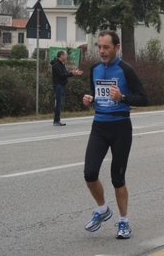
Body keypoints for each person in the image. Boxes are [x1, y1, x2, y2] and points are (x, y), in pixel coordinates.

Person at [82, 30, 148, 239]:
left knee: (117, 178)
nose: (102, 51)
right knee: (89, 173)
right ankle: (103, 210)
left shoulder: (126, 70)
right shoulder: (94, 69)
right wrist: (89, 98)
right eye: (99, 47)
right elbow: (95, 93)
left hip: (120, 128)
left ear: (117, 47)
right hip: (99, 127)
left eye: (106, 47)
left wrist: (123, 97)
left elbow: (143, 98)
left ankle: (124, 222)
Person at [50, 51, 83, 126]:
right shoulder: (56, 64)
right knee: (59, 103)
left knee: (60, 103)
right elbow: (61, 75)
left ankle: (57, 120)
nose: (66, 57)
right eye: (65, 55)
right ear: (61, 55)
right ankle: (56, 120)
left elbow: (65, 73)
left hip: (62, 85)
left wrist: (73, 73)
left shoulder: (61, 64)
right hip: (58, 85)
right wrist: (72, 74)